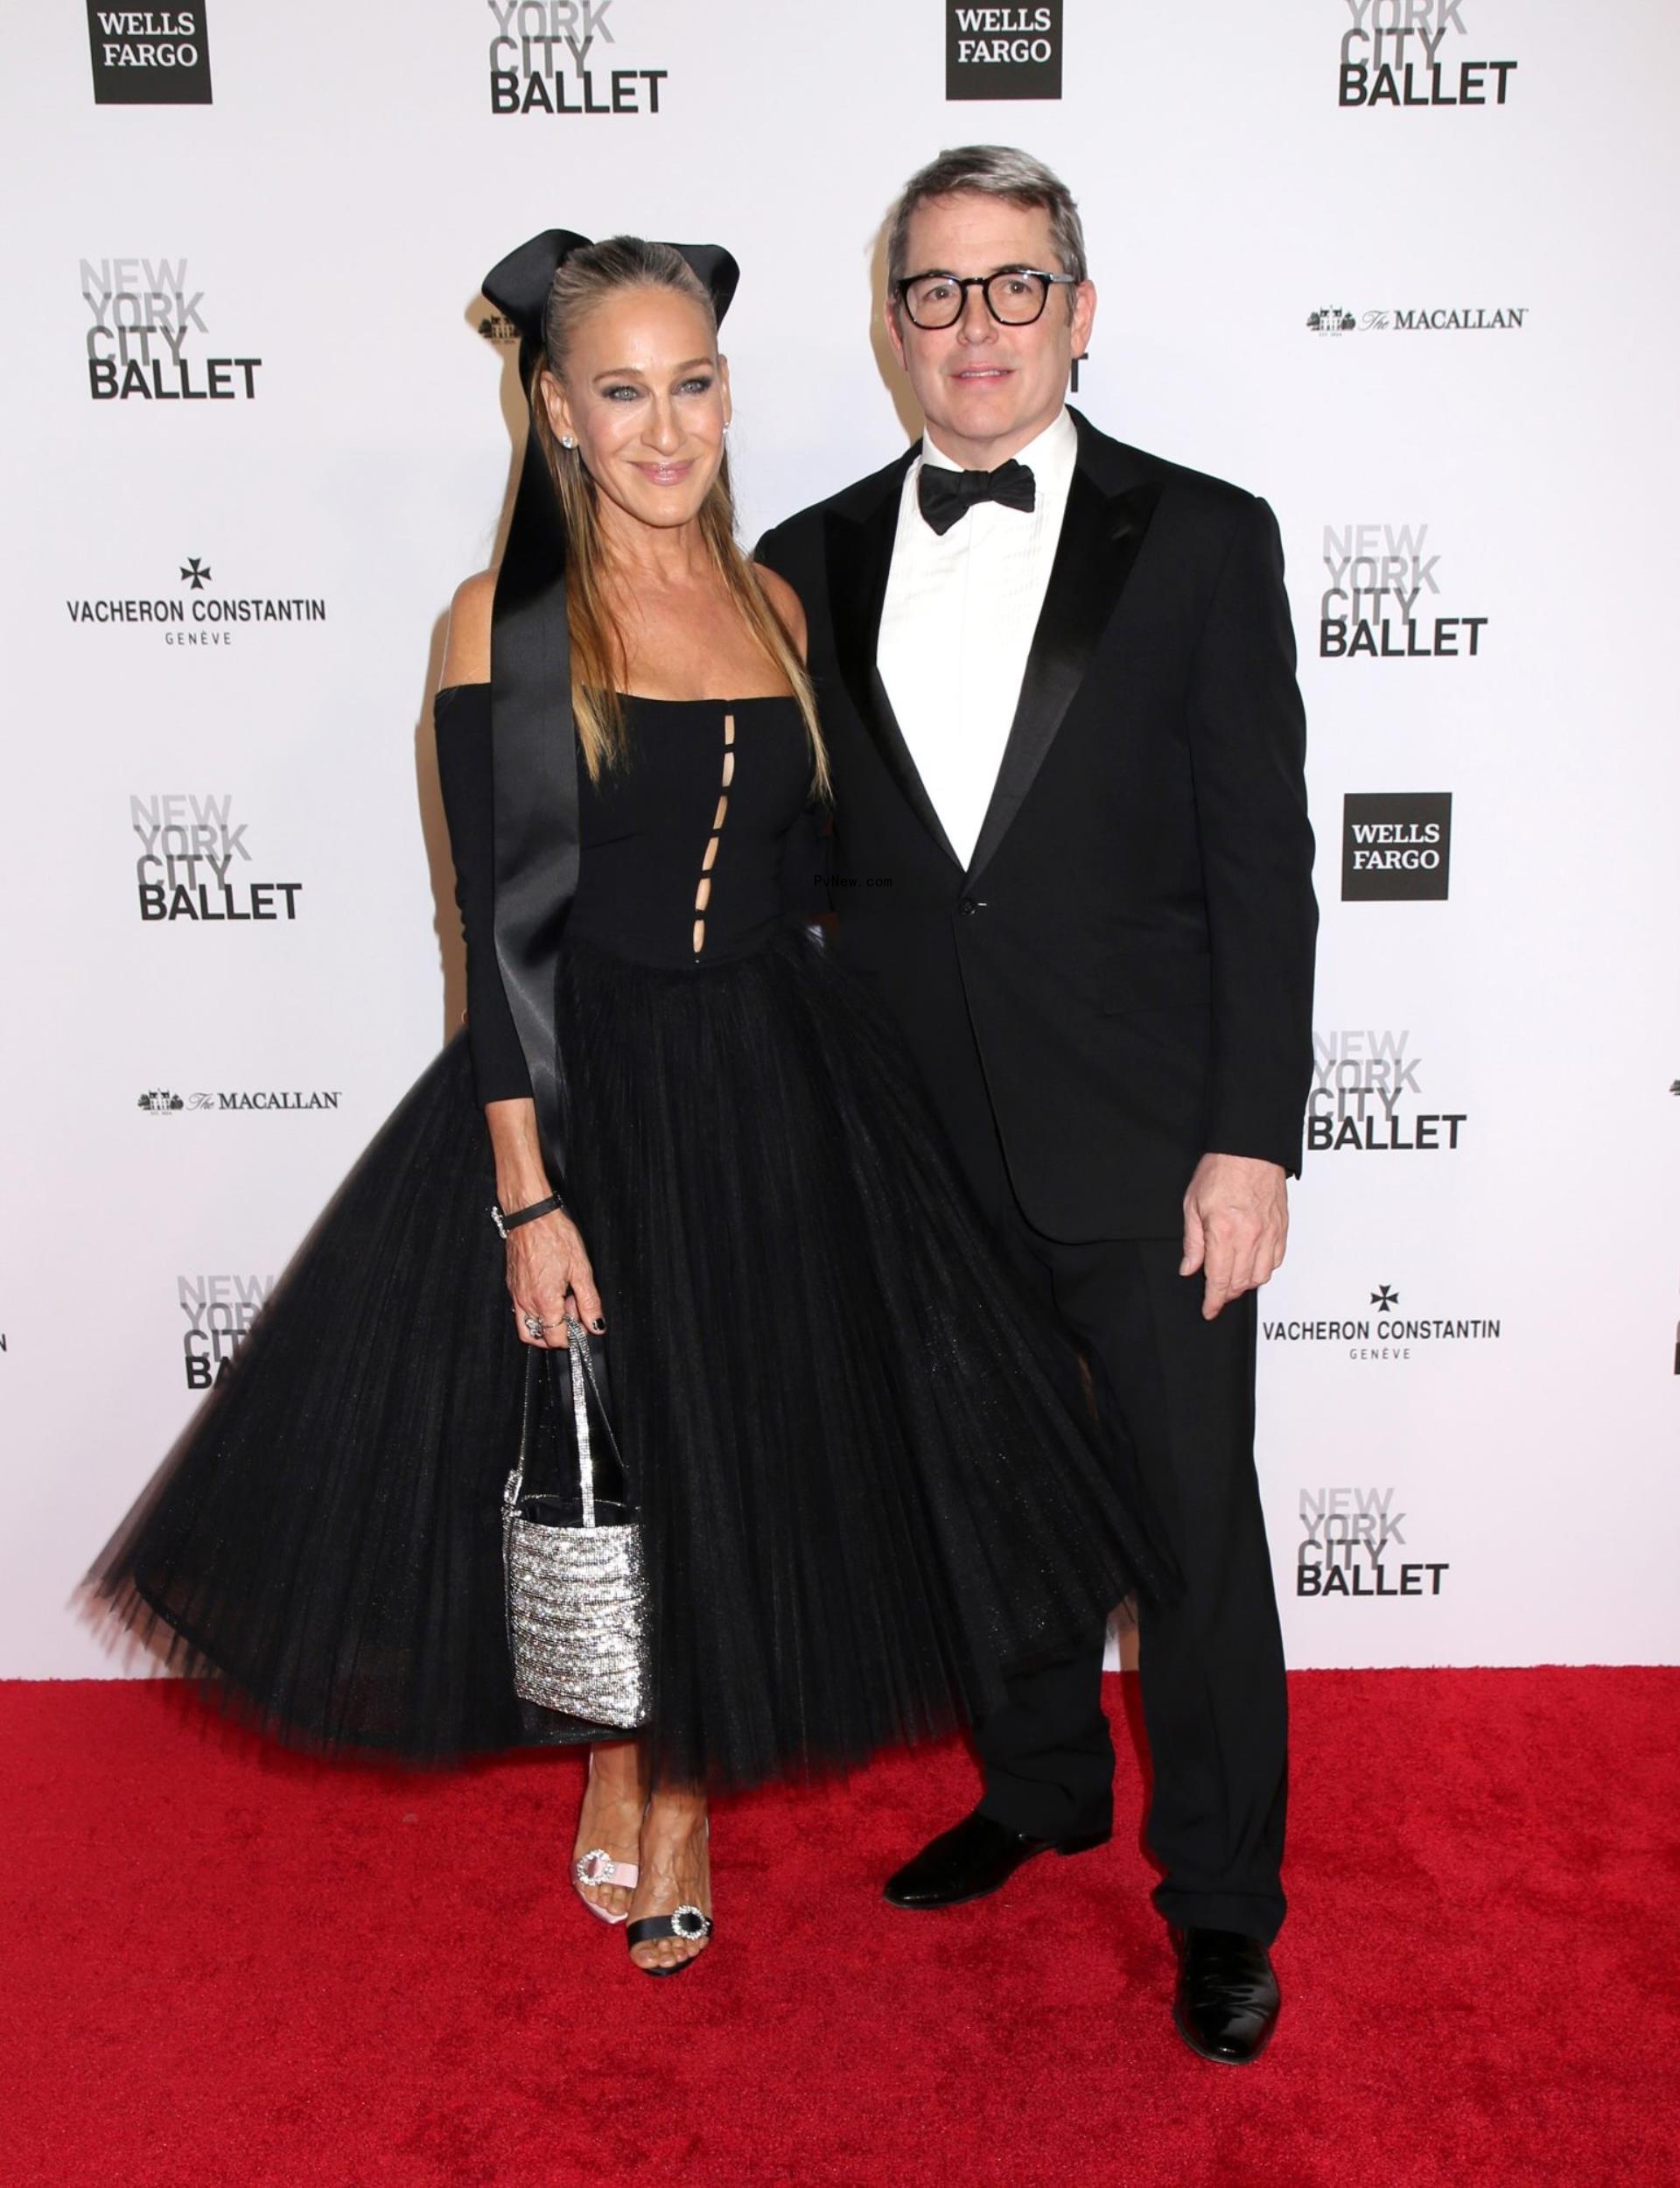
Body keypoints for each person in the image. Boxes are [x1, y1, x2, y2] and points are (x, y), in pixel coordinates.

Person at [89, 229, 1169, 1979]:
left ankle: (677, 1792)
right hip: (585, 1087)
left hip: (780, 1077)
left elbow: (827, 872)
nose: (665, 427)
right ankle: (619, 1751)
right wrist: (529, 1195)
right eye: (622, 390)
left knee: (745, 1443)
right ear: (556, 411)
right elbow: (493, 929)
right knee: (611, 1459)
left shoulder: (779, 605)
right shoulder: (500, 622)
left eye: (693, 383)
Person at [756, 147, 1316, 2061]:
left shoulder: (1208, 538)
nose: (974, 327)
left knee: (1192, 1538)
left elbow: (1263, 864)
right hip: (912, 1141)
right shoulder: (805, 560)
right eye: (937, 290)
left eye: (1014, 287)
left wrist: (1257, 1136)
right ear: (888, 320)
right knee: (982, 1506)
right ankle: (1041, 1783)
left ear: (1081, 311)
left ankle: (1226, 1900)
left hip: (1158, 1148)